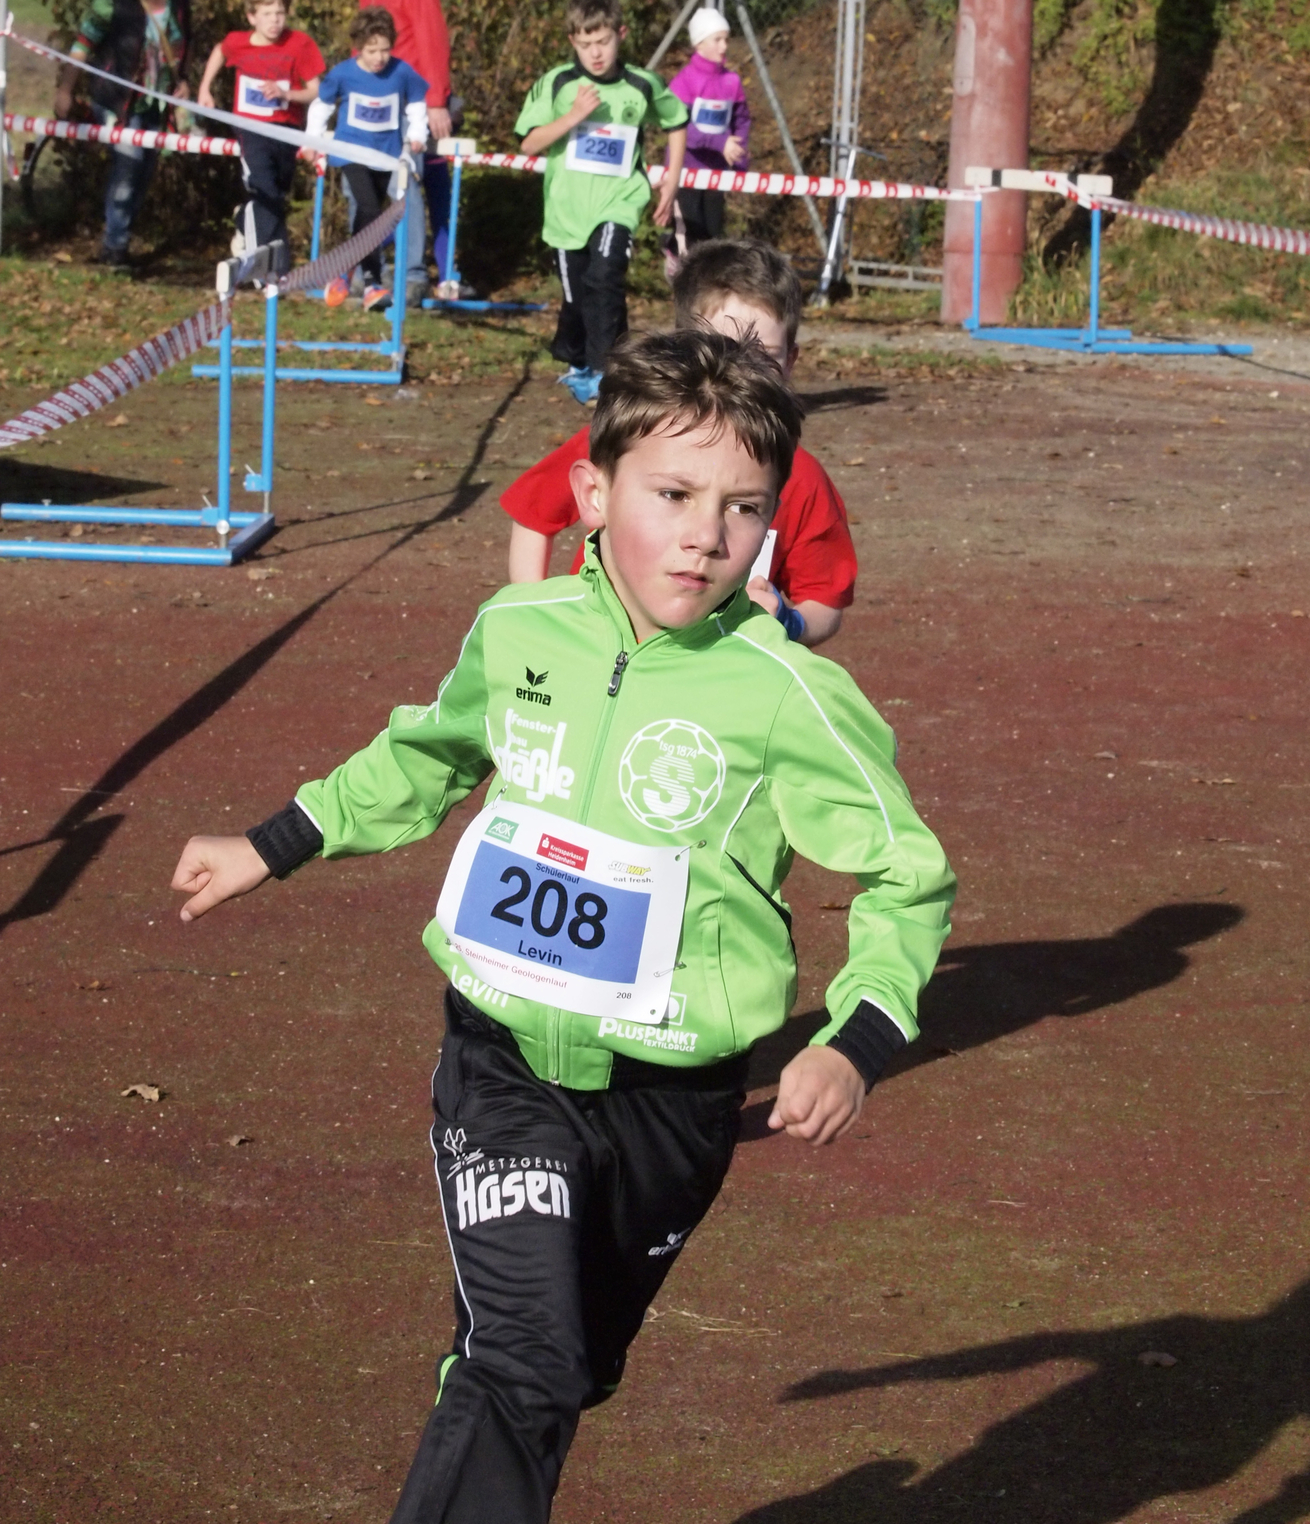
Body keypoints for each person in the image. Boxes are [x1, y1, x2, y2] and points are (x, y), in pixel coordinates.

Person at [170, 326, 955, 1524]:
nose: (705, 536)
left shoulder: (793, 694)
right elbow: (429, 754)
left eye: (744, 509)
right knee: (525, 1359)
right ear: (593, 493)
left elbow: (907, 873)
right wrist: (273, 842)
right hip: (502, 1062)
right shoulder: (520, 629)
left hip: (671, 1104)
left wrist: (857, 1040)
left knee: (564, 1367)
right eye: (673, 495)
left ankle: (489, 1396)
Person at [502, 238, 855, 647]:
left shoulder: (802, 477)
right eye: (673, 493)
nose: (740, 368)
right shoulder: (632, 440)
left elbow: (825, 601)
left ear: (790, 361)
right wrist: (538, 618)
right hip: (594, 653)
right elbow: (533, 514)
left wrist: (787, 623)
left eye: (763, 356)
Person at [516, 0, 688, 406]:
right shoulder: (558, 83)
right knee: (578, 297)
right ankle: (578, 359)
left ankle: (606, 373)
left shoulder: (641, 85)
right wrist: (574, 116)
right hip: (567, 208)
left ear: (621, 35)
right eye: (585, 44)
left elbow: (676, 119)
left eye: (603, 42)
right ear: (572, 42)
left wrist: (672, 179)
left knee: (605, 277)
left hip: (619, 200)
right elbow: (528, 143)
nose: (595, 53)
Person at [54, 0, 192, 267]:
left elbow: (181, 46)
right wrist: (65, 90)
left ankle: (121, 238)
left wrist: (183, 82)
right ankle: (114, 247)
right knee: (128, 165)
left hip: (157, 100)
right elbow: (82, 45)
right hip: (117, 97)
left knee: (144, 170)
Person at [354, 0, 454, 296]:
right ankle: (369, 272)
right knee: (362, 186)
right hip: (370, 107)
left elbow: (432, 41)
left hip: (408, 106)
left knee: (405, 185)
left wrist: (436, 101)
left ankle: (412, 275)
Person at [196, 0, 324, 275]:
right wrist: (205, 88)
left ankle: (244, 220)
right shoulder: (238, 42)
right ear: (252, 17)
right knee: (264, 190)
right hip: (250, 128)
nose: (275, 21)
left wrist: (286, 94)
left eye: (280, 13)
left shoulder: (299, 44)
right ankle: (271, 270)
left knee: (277, 193)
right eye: (267, 14)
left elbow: (316, 89)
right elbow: (220, 50)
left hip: (286, 128)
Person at [307, 6, 429, 312]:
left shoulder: (401, 72)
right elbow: (322, 106)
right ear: (358, 47)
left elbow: (417, 103)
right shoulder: (343, 74)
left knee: (369, 214)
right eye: (372, 51)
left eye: (385, 50)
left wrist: (418, 133)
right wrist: (312, 140)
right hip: (351, 151)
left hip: (386, 153)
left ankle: (347, 267)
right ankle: (373, 282)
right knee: (371, 209)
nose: (379, 58)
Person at [665, 6, 751, 255]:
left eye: (726, 39)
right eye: (717, 40)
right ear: (699, 44)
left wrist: (739, 158)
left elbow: (742, 121)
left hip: (716, 172)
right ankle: (674, 252)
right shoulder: (684, 81)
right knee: (692, 238)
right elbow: (681, 129)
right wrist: (720, 143)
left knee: (713, 238)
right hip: (685, 170)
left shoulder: (732, 81)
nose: (724, 46)